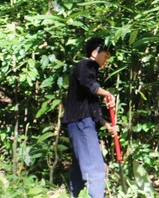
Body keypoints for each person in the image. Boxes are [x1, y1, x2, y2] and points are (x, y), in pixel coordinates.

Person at [62, 37, 119, 198]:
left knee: (79, 170)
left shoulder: (91, 72)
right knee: (95, 170)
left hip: (81, 122)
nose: (107, 60)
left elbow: (93, 108)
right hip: (81, 123)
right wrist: (107, 94)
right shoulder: (85, 64)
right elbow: (90, 85)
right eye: (105, 56)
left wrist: (106, 124)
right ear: (94, 53)